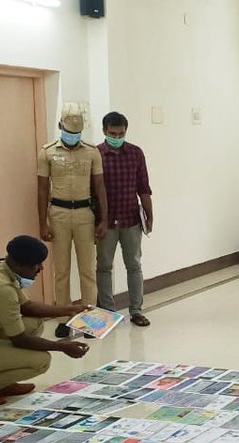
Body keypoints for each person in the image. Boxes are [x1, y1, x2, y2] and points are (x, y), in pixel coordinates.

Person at [0, 235, 93, 406]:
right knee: (41, 361)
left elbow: (27, 307)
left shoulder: (0, 269)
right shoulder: (1, 288)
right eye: (36, 265)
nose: (40, 268)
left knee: (34, 323)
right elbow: (20, 339)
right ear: (19, 265)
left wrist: (69, 309)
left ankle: (1, 382)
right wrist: (63, 347)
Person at [37, 102, 109, 338]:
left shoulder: (91, 151)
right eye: (69, 132)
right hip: (57, 213)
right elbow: (41, 189)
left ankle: (89, 320)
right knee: (62, 271)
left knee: (88, 270)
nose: (73, 136)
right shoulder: (47, 152)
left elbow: (99, 187)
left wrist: (103, 219)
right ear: (60, 126)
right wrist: (42, 222)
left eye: (77, 133)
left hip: (84, 214)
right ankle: (63, 318)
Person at [95, 111, 153, 327]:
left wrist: (149, 214)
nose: (117, 137)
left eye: (121, 133)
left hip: (131, 219)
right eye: (112, 133)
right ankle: (107, 313)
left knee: (134, 265)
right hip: (105, 222)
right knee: (103, 267)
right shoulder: (96, 154)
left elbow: (143, 187)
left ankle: (136, 311)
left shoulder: (136, 153)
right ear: (104, 131)